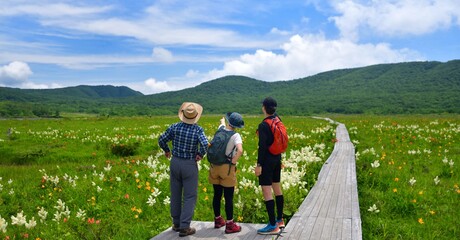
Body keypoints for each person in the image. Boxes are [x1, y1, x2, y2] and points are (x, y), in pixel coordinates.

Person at [158, 102, 209, 237]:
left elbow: (161, 139)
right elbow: (205, 143)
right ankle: (185, 227)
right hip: (189, 164)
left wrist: (167, 150)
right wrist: (200, 154)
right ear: (196, 116)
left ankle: (176, 223)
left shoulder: (175, 127)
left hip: (175, 162)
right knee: (189, 196)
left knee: (175, 193)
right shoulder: (198, 129)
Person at [208, 112, 244, 234]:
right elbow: (240, 150)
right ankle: (229, 224)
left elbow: (222, 125)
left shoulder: (220, 130)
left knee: (217, 195)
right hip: (227, 168)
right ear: (237, 126)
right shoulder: (236, 135)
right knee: (228, 197)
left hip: (214, 166)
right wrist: (233, 162)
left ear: (228, 122)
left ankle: (218, 220)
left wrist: (222, 121)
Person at [255, 97, 285, 235]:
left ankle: (273, 225)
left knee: (267, 191)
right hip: (277, 159)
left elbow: (262, 148)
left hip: (267, 161)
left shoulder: (264, 125)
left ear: (264, 108)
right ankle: (280, 219)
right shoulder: (278, 121)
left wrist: (259, 165)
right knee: (277, 188)